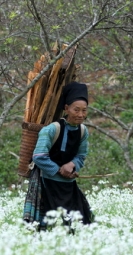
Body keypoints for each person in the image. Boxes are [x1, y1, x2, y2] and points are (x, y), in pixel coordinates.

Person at [23, 81, 94, 231]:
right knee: (46, 227)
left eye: (84, 110)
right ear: (66, 108)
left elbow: (81, 155)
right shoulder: (51, 130)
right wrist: (58, 170)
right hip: (46, 183)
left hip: (68, 184)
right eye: (76, 110)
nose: (81, 114)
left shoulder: (83, 131)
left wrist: (72, 165)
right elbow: (39, 156)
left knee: (78, 225)